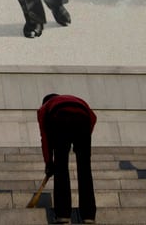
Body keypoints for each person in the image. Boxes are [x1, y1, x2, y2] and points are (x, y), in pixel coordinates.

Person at [37, 93, 96, 224]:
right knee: (85, 169)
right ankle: (89, 215)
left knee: (61, 168)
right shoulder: (76, 99)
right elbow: (93, 117)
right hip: (83, 119)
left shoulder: (44, 108)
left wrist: (49, 163)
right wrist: (82, 144)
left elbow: (45, 138)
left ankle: (63, 214)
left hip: (60, 119)